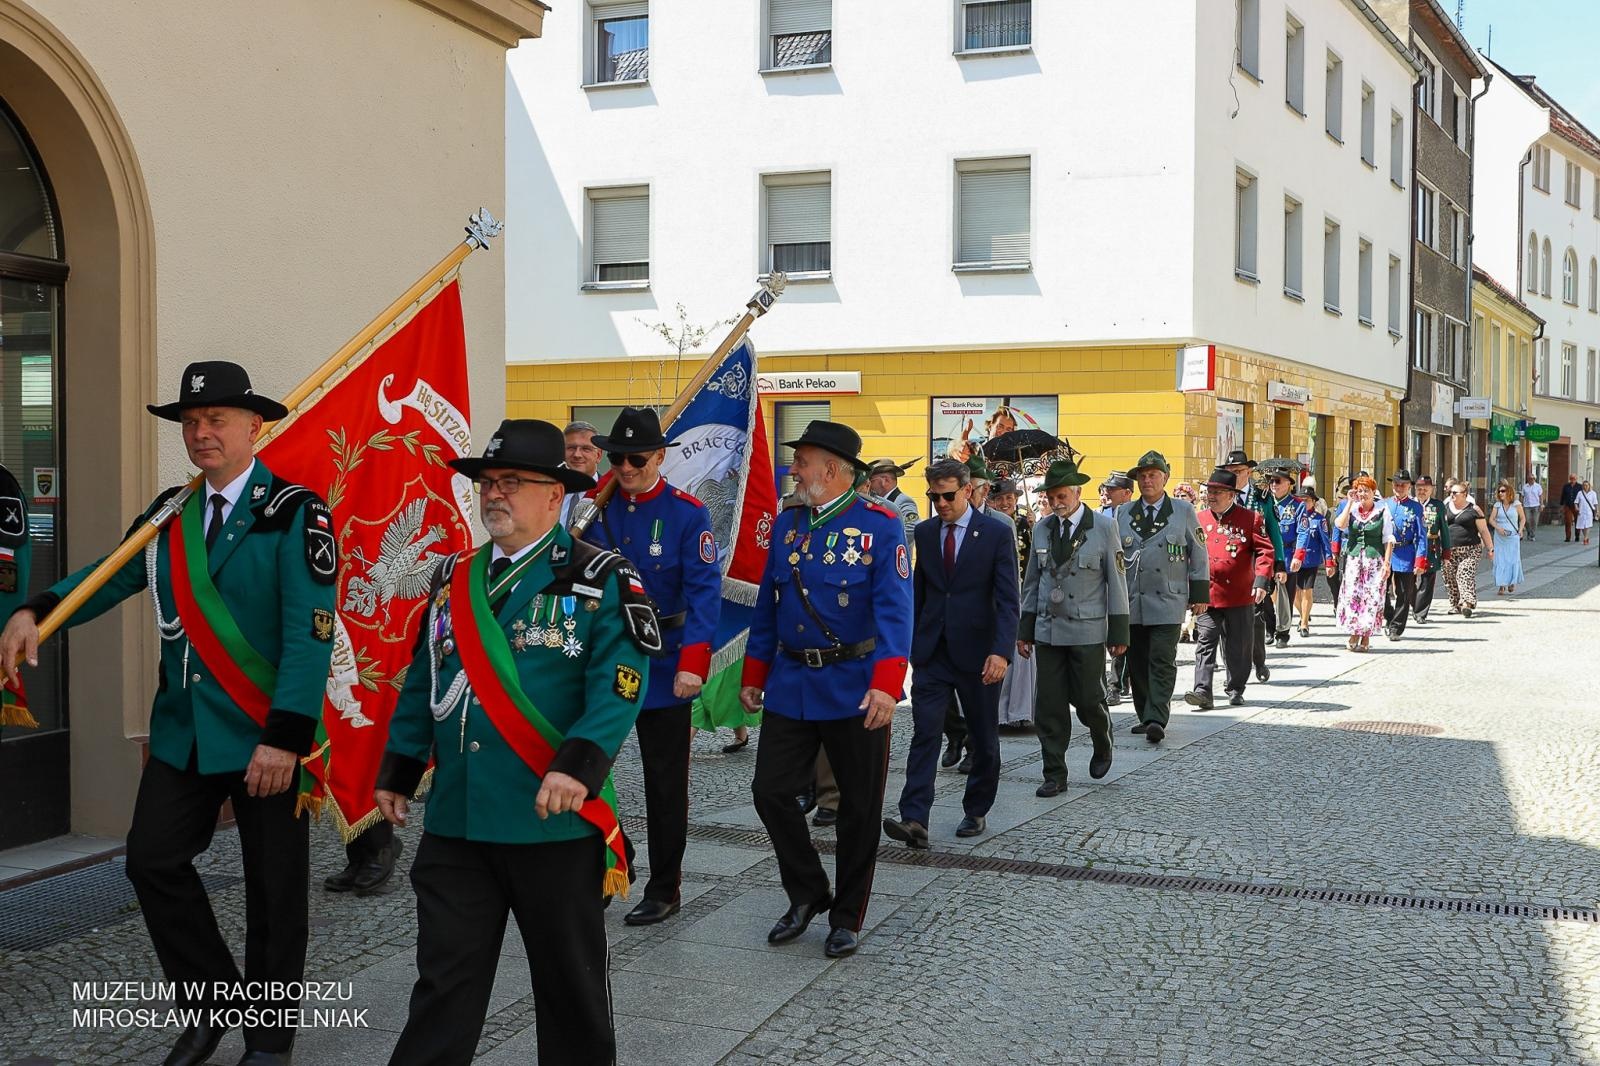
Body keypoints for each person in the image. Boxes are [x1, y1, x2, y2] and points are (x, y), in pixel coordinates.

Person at [1, 362, 336, 1066]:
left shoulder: (295, 513)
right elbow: (107, 576)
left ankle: (270, 1041)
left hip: (265, 735)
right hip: (186, 732)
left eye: (216, 420)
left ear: (255, 427)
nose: (201, 432)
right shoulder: (169, 514)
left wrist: (285, 739)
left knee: (275, 890)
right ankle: (213, 1005)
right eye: (190, 422)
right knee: (152, 862)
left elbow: (312, 633)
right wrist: (38, 612)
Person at [375, 419, 654, 1066]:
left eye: (513, 483)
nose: (494, 494)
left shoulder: (599, 577)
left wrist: (578, 767)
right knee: (444, 983)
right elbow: (426, 676)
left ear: (556, 496)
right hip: (460, 820)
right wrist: (401, 764)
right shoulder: (456, 578)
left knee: (569, 991)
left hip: (549, 821)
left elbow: (621, 680)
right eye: (488, 482)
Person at [739, 421, 912, 959]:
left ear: (833, 470)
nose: (794, 469)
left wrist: (887, 685)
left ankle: (847, 916)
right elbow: (770, 606)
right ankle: (808, 890)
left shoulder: (880, 526)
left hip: (855, 686)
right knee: (769, 791)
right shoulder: (790, 526)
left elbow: (895, 611)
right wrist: (753, 674)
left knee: (859, 807)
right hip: (792, 682)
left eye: (804, 461)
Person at [579, 407, 720, 927]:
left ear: (660, 457)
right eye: (617, 458)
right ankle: (608, 861)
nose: (627, 467)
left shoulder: (686, 513)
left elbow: (705, 595)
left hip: (664, 663)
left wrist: (693, 664)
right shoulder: (595, 509)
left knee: (664, 785)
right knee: (589, 769)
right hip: (606, 662)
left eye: (637, 458)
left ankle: (665, 886)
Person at [883, 458, 1017, 848]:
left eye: (947, 496)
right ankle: (914, 818)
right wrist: (911, 645)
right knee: (925, 732)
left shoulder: (995, 533)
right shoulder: (925, 533)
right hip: (933, 653)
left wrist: (1001, 652)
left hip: (979, 653)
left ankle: (976, 809)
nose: (940, 503)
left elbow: (1008, 599)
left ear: (967, 491)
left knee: (982, 736)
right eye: (933, 496)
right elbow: (920, 592)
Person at [1017, 458, 1126, 797]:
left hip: (1087, 629)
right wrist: (1025, 629)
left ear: (1077, 492)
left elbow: (1117, 580)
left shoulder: (1103, 528)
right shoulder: (1042, 528)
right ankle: (1054, 773)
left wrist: (1119, 632)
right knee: (1048, 705)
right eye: (1051, 497)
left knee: (1089, 698)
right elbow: (1032, 582)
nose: (1056, 502)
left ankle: (1101, 735)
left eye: (1062, 495)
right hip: (1048, 630)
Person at [1118, 451, 1208, 745]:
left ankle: (1157, 717)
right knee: (1137, 661)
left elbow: (1198, 553)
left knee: (1161, 659)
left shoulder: (1182, 511)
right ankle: (1145, 715)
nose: (1147, 480)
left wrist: (1199, 594)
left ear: (1165, 478)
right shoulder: (1123, 513)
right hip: (1132, 600)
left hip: (1169, 599)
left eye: (1153, 475)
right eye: (1142, 476)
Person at [1184, 468, 1274, 709]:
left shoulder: (1250, 519)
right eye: (1209, 491)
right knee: (1205, 640)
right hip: (1208, 594)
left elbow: (1265, 552)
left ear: (1231, 495)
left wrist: (1261, 581)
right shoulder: (1198, 518)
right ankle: (1202, 690)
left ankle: (1235, 687)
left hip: (1239, 594)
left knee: (1238, 646)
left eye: (1217, 492)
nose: (1210, 496)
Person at [1221, 449, 1285, 683]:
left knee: (1254, 615)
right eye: (1230, 471)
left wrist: (1279, 564)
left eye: (1238, 471)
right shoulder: (1220, 495)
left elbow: (1274, 531)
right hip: (1227, 566)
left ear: (1249, 472)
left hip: (1255, 565)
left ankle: (1257, 658)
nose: (1234, 476)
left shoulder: (1261, 498)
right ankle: (1231, 668)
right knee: (1224, 618)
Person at [988, 478, 1036, 729]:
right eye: (1000, 499)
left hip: (1024, 592)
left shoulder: (1024, 524)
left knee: (1023, 652)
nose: (1006, 503)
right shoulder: (991, 525)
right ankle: (1000, 712)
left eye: (1010, 498)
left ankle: (1021, 710)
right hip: (1001, 596)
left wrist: (1033, 527)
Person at [1333, 476, 1394, 652]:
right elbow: (1340, 525)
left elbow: (1388, 538)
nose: (1362, 494)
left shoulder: (1382, 510)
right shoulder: (1351, 510)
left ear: (1373, 492)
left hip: (1374, 560)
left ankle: (1366, 635)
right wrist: (1350, 502)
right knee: (1353, 596)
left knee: (1371, 596)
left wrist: (1387, 564)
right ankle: (1353, 632)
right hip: (1354, 560)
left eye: (1366, 490)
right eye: (1359, 490)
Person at [1099, 471, 1135, 705]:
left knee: (1121, 636)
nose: (1107, 492)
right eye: (1107, 488)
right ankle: (1113, 683)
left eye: (1113, 489)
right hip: (1104, 585)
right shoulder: (1101, 516)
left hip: (1129, 585)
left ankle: (1115, 685)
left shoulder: (1133, 517)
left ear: (1127, 494)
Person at [1380, 470, 1426, 641]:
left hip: (1406, 553)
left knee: (1404, 593)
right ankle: (1389, 614)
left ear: (1409, 487)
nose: (1399, 488)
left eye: (1403, 485)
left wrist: (1420, 560)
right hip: (1386, 553)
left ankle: (1396, 628)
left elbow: (1421, 535)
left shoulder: (1415, 507)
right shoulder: (1384, 505)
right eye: (1397, 484)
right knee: (1381, 590)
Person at [1442, 482, 1494, 617]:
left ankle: (1467, 603)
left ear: (1464, 495)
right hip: (1449, 549)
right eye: (1450, 492)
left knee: (1464, 573)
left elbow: (1483, 530)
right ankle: (1455, 605)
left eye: (1455, 492)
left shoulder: (1474, 510)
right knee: (1449, 577)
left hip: (1470, 549)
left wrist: (1490, 548)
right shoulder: (1445, 508)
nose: (1452, 495)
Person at [1265, 469, 1303, 647]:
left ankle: (1283, 632)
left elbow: (1303, 532)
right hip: (1265, 555)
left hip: (1287, 555)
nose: (1274, 484)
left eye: (1278, 481)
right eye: (1271, 481)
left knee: (1285, 597)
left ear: (1289, 483)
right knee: (1263, 594)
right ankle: (1268, 628)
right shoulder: (1264, 502)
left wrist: (1298, 556)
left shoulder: (1297, 505)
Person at [1288, 479, 1330, 637]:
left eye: (1306, 500)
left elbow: (1325, 542)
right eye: (1301, 500)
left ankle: (1304, 623)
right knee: (1294, 595)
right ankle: (1303, 614)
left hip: (1310, 560)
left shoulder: (1320, 520)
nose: (1304, 503)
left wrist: (1329, 561)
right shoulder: (1293, 517)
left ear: (1313, 501)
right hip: (1293, 560)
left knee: (1307, 592)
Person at [1412, 475, 1449, 623]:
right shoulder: (1410, 504)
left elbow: (1444, 530)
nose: (1422, 492)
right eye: (1419, 489)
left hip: (1431, 545)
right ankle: (1413, 604)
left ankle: (1421, 613)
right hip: (1412, 547)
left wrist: (1446, 552)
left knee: (1428, 581)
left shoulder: (1438, 506)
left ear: (1431, 490)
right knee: (1409, 580)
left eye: (1425, 489)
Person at [866, 457, 922, 544]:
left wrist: (887, 546)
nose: (868, 486)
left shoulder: (903, 501)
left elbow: (912, 528)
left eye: (871, 481)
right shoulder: (878, 501)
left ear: (886, 481)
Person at [558, 420, 600, 527]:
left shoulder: (610, 493)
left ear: (598, 455)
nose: (577, 454)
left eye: (586, 449)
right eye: (571, 448)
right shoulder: (550, 492)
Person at [1490, 479, 1525, 594]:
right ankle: (1501, 585)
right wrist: (1498, 528)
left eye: (1503, 491)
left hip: (1513, 536)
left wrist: (1520, 530)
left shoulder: (1516, 504)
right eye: (1499, 491)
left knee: (1512, 559)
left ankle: (1511, 582)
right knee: (1500, 560)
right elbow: (1491, 520)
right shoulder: (1497, 505)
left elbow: (1523, 518)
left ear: (1509, 492)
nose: (1500, 493)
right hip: (1500, 537)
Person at [1520, 474, 1543, 540]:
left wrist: (1541, 505)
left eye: (1533, 479)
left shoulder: (1538, 486)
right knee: (1527, 520)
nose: (1531, 480)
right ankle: (1529, 532)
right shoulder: (1525, 487)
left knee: (1535, 521)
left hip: (1536, 505)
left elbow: (1540, 496)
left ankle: (1532, 535)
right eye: (1530, 478)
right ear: (1528, 479)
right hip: (1527, 506)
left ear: (1534, 479)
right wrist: (1521, 504)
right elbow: (1522, 496)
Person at [1561, 474, 1581, 542]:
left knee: (1577, 521)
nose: (1572, 480)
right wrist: (1562, 504)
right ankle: (1568, 537)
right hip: (1568, 505)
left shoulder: (1579, 486)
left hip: (1576, 505)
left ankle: (1577, 535)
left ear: (1576, 479)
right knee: (1568, 521)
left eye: (1574, 478)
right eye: (1571, 478)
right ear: (1569, 479)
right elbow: (1563, 495)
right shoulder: (1566, 486)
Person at [1578, 481, 1598, 547]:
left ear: (1589, 486)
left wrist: (1596, 512)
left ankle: (1585, 538)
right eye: (1584, 485)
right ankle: (1586, 537)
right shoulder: (1580, 493)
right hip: (1581, 512)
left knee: (1588, 525)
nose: (1585, 486)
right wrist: (1576, 507)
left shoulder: (1593, 493)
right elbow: (1576, 502)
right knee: (1582, 526)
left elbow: (1595, 503)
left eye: (1587, 485)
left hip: (1589, 512)